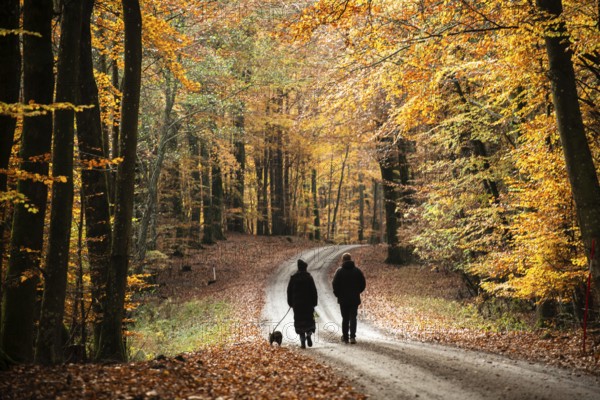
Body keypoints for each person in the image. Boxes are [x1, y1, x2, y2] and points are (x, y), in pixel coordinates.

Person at [332, 252, 366, 344]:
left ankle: (345, 337)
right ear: (350, 259)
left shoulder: (339, 271)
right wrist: (358, 291)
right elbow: (363, 283)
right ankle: (352, 337)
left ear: (343, 260)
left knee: (345, 318)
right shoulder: (357, 271)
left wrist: (337, 294)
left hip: (343, 299)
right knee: (353, 317)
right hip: (354, 298)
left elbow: (334, 284)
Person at [287, 259, 318, 348]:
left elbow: (289, 291)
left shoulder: (293, 278)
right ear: (305, 268)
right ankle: (309, 333)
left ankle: (302, 342)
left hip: (297, 305)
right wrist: (314, 302)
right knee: (309, 320)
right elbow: (313, 291)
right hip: (308, 304)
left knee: (299, 322)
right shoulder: (309, 277)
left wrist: (290, 303)